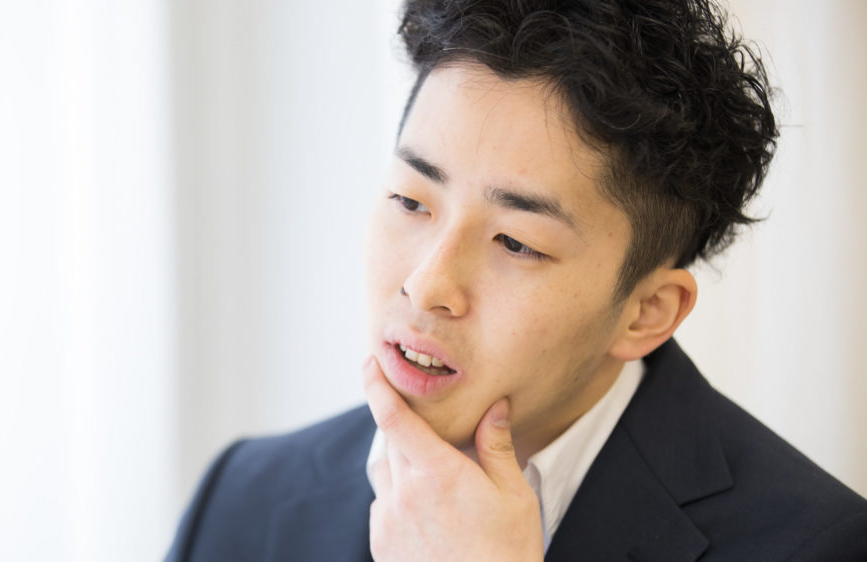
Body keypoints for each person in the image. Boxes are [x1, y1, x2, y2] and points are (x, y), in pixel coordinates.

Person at [166, 0, 867, 560]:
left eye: (516, 242)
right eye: (410, 200)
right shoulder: (245, 498)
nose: (428, 284)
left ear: (647, 311)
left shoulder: (818, 545)